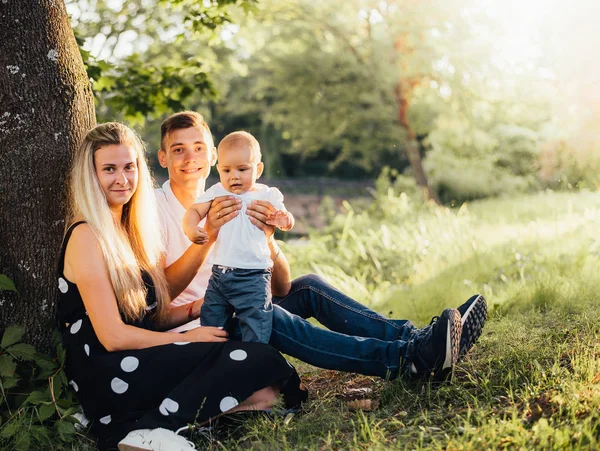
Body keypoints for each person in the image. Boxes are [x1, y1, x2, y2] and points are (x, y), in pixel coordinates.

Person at [156, 111, 488, 381]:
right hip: (205, 327)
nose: (190, 158)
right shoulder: (156, 209)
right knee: (269, 315)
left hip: (247, 297)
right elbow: (161, 295)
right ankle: (408, 360)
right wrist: (208, 235)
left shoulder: (241, 196)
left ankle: (416, 338)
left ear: (214, 156)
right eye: (178, 149)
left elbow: (282, 285)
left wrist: (270, 242)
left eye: (198, 147)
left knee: (310, 287)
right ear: (162, 157)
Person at [56, 122, 307, 451]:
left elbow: (144, 315)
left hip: (141, 351)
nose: (122, 179)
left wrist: (192, 310)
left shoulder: (131, 229)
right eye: (109, 169)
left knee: (268, 389)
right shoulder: (86, 235)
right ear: (91, 176)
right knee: (260, 363)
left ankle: (161, 422)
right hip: (109, 367)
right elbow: (113, 336)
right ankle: (147, 430)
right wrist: (188, 339)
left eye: (129, 167)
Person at [183, 131, 294, 343]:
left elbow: (286, 218)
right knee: (211, 324)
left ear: (258, 169)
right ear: (219, 170)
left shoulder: (267, 194)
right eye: (227, 170)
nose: (234, 176)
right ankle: (211, 361)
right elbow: (194, 211)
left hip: (253, 276)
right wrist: (190, 227)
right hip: (220, 275)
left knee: (256, 325)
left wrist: (284, 220)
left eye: (242, 169)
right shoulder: (216, 191)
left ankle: (253, 363)